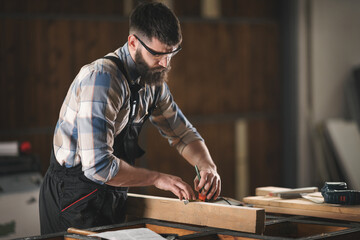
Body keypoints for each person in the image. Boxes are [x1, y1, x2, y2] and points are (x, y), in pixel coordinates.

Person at [39, 2, 221, 235]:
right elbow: (98, 166)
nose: (166, 63)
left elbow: (182, 133)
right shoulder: (102, 79)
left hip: (111, 192)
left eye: (171, 53)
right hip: (72, 197)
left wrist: (207, 166)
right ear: (133, 42)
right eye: (157, 54)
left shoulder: (153, 81)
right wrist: (157, 178)